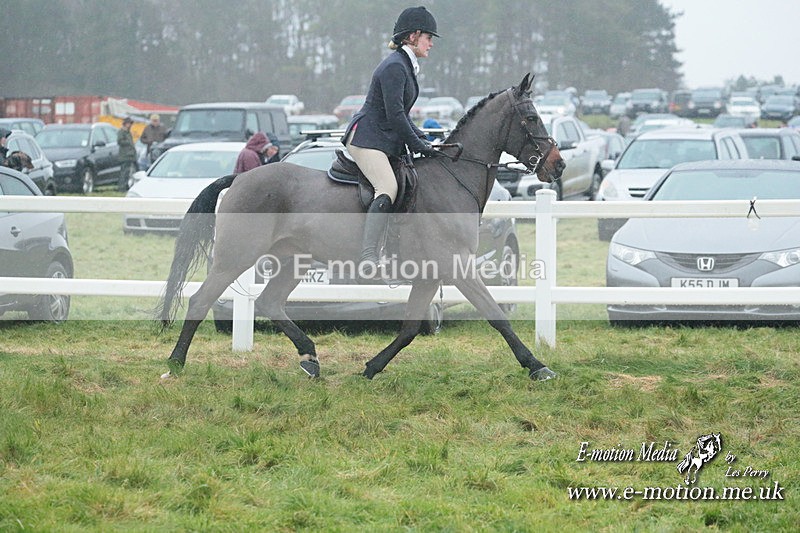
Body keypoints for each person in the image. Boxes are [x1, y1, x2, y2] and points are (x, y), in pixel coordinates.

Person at [343, 6, 440, 267]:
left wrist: (426, 141)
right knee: (388, 187)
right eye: (428, 37)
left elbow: (404, 115)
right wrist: (419, 144)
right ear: (413, 36)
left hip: (381, 138)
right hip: (366, 138)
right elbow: (395, 115)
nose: (431, 43)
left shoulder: (405, 65)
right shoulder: (395, 67)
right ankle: (368, 255)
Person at [117, 117, 137, 191]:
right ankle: (121, 187)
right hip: (124, 155)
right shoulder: (122, 132)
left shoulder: (128, 132)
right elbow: (119, 141)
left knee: (127, 172)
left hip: (130, 155)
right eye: (129, 123)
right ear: (125, 124)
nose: (130, 125)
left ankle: (125, 186)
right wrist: (128, 143)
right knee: (124, 172)